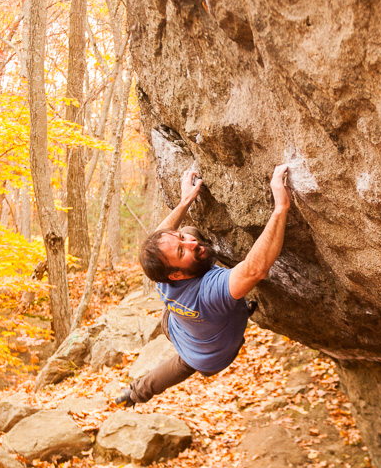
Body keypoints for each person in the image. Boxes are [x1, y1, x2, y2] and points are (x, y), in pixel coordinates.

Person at [114, 162, 292, 406]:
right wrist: (280, 208)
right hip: (210, 357)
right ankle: (134, 394)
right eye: (181, 250)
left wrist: (185, 200)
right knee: (187, 361)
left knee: (188, 231)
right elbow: (255, 269)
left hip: (175, 326)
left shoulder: (161, 272)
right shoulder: (210, 292)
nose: (189, 242)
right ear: (175, 275)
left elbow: (161, 237)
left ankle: (134, 394)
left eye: (181, 240)